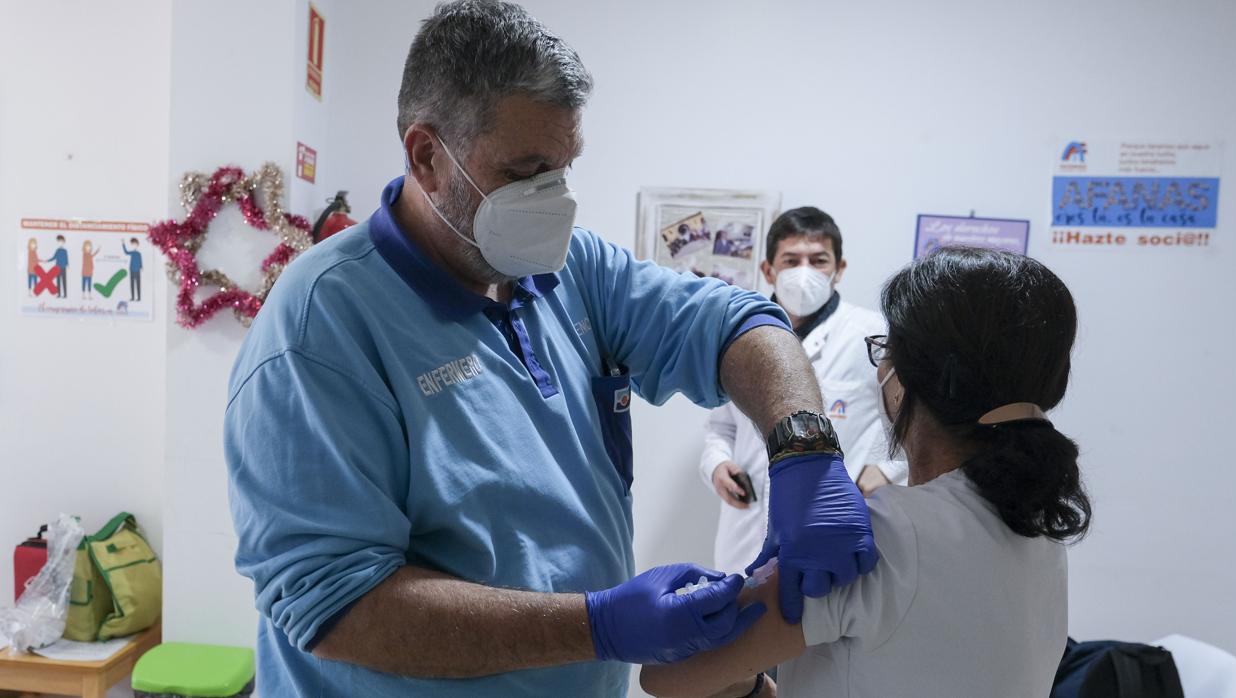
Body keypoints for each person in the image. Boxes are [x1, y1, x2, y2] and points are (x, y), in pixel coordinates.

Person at [224, 2, 875, 696]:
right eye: (526, 170)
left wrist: (804, 446)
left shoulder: (568, 270)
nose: (553, 200)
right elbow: (339, 608)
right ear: (426, 156)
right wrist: (597, 627)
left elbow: (735, 323)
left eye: (562, 169)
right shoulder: (322, 328)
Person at [643, 247, 1093, 698]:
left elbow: (665, 675)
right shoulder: (1042, 526)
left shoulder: (877, 536)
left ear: (908, 379)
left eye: (885, 351)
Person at [701, 207, 907, 575]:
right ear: (768, 270)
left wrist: (889, 471)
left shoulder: (872, 336)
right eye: (792, 260)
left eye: (818, 260)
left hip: (833, 526)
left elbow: (913, 421)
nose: (804, 272)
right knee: (738, 620)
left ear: (839, 269)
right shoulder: (735, 332)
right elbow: (721, 426)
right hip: (745, 529)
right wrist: (716, 464)